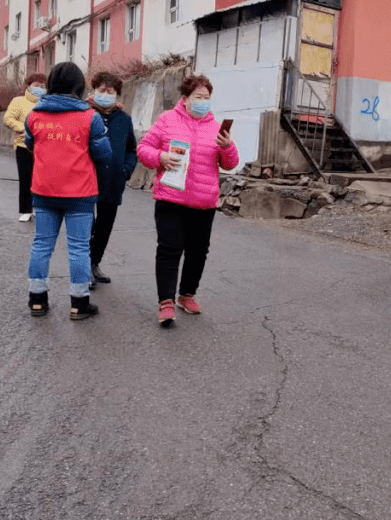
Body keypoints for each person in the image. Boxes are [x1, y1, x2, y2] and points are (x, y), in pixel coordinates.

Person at [136, 73, 239, 327]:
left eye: (207, 98)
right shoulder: (167, 120)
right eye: (198, 97)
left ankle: (187, 295)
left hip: (204, 202)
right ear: (185, 99)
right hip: (171, 198)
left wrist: (228, 146)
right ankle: (166, 302)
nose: (203, 102)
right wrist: (160, 157)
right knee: (170, 249)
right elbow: (143, 149)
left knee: (197, 253)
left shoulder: (216, 128)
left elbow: (230, 164)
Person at [24, 62, 111, 320]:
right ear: (79, 85)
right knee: (78, 248)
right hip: (80, 194)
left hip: (44, 190)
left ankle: (37, 300)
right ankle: (78, 303)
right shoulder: (90, 117)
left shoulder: (34, 115)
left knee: (42, 244)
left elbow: (30, 144)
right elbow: (104, 154)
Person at [86, 71, 137, 287]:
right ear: (94, 91)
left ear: (117, 94)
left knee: (105, 226)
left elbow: (131, 149)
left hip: (113, 181)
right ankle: (83, 268)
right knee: (86, 226)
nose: (106, 94)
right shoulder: (85, 114)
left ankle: (94, 263)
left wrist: (125, 170)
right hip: (87, 180)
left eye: (110, 91)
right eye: (102, 90)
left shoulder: (124, 119)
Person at [3, 73, 48, 222]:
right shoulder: (18, 101)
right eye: (36, 85)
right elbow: (8, 118)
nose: (40, 89)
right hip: (24, 145)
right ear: (28, 86)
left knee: (42, 179)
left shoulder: (48, 103)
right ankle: (26, 209)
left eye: (43, 86)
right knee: (26, 178)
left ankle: (39, 207)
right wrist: (24, 129)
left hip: (45, 146)